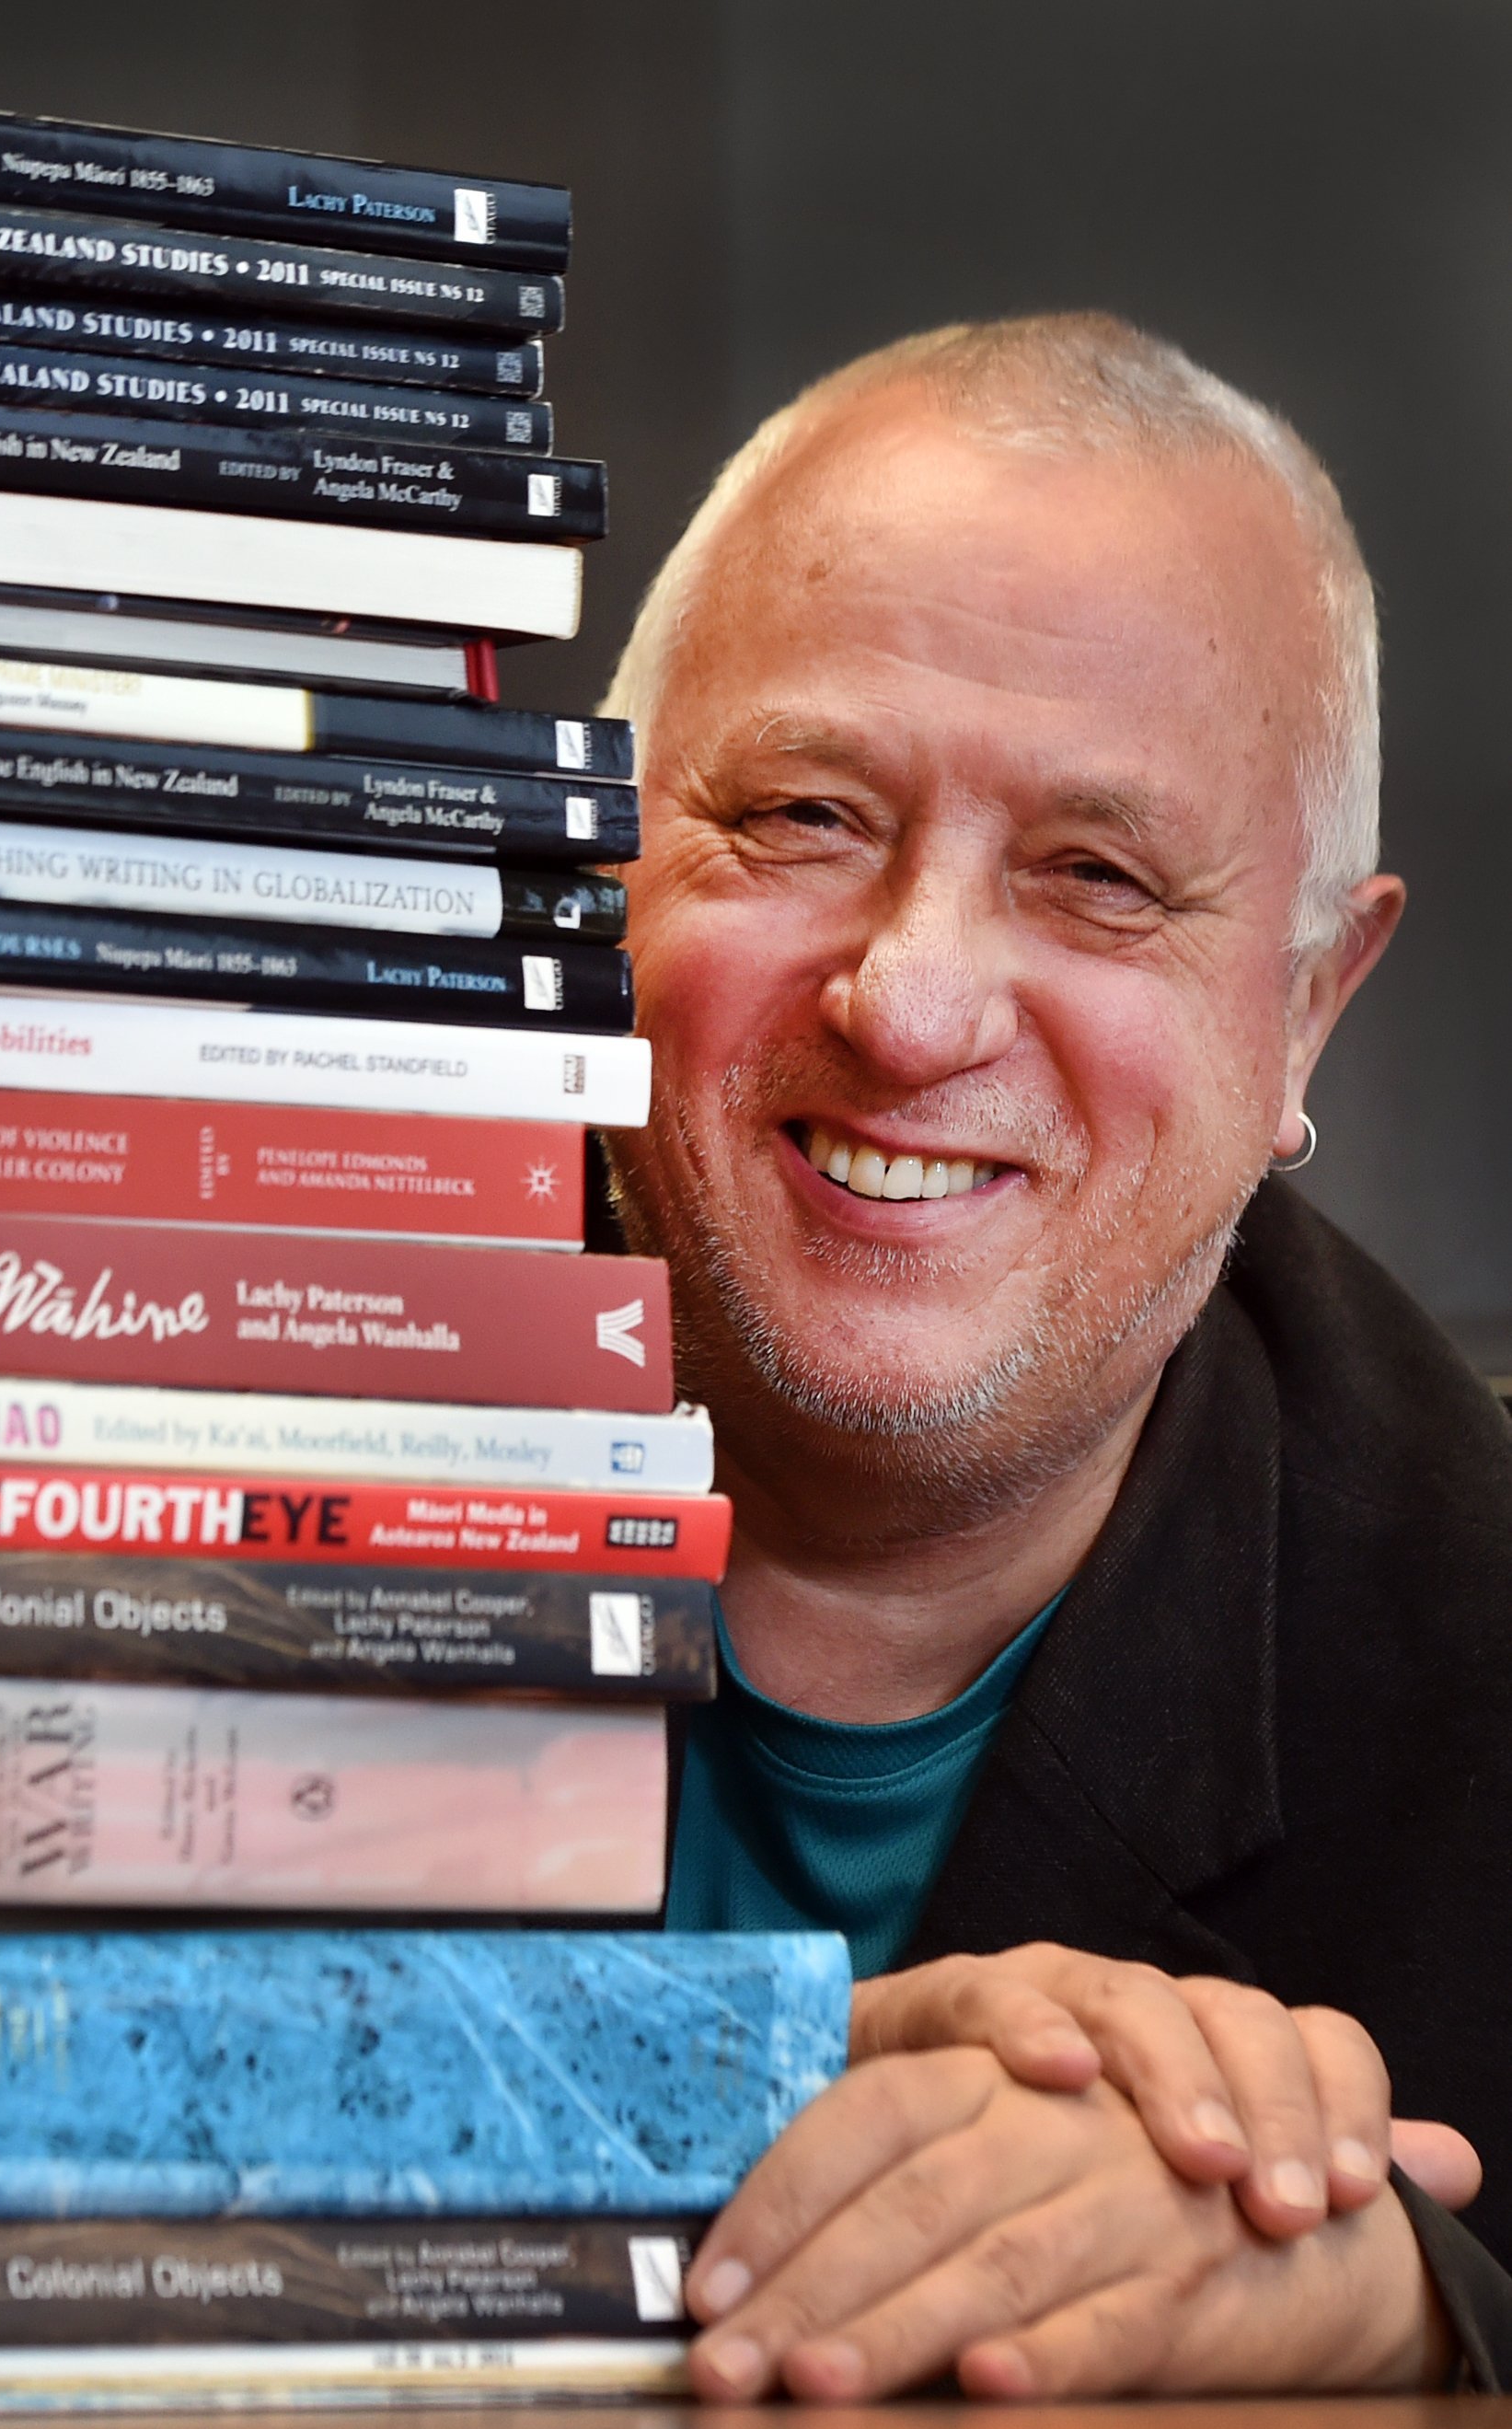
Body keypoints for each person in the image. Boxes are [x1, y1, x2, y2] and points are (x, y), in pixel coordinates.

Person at [590, 313, 1512, 2397]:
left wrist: (1394, 2312)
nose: (911, 1008)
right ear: (599, 859)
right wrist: (753, 2073)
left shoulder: (1476, 1642)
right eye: (803, 813)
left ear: (1308, 1004)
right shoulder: (186, 1355)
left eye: (1098, 876)